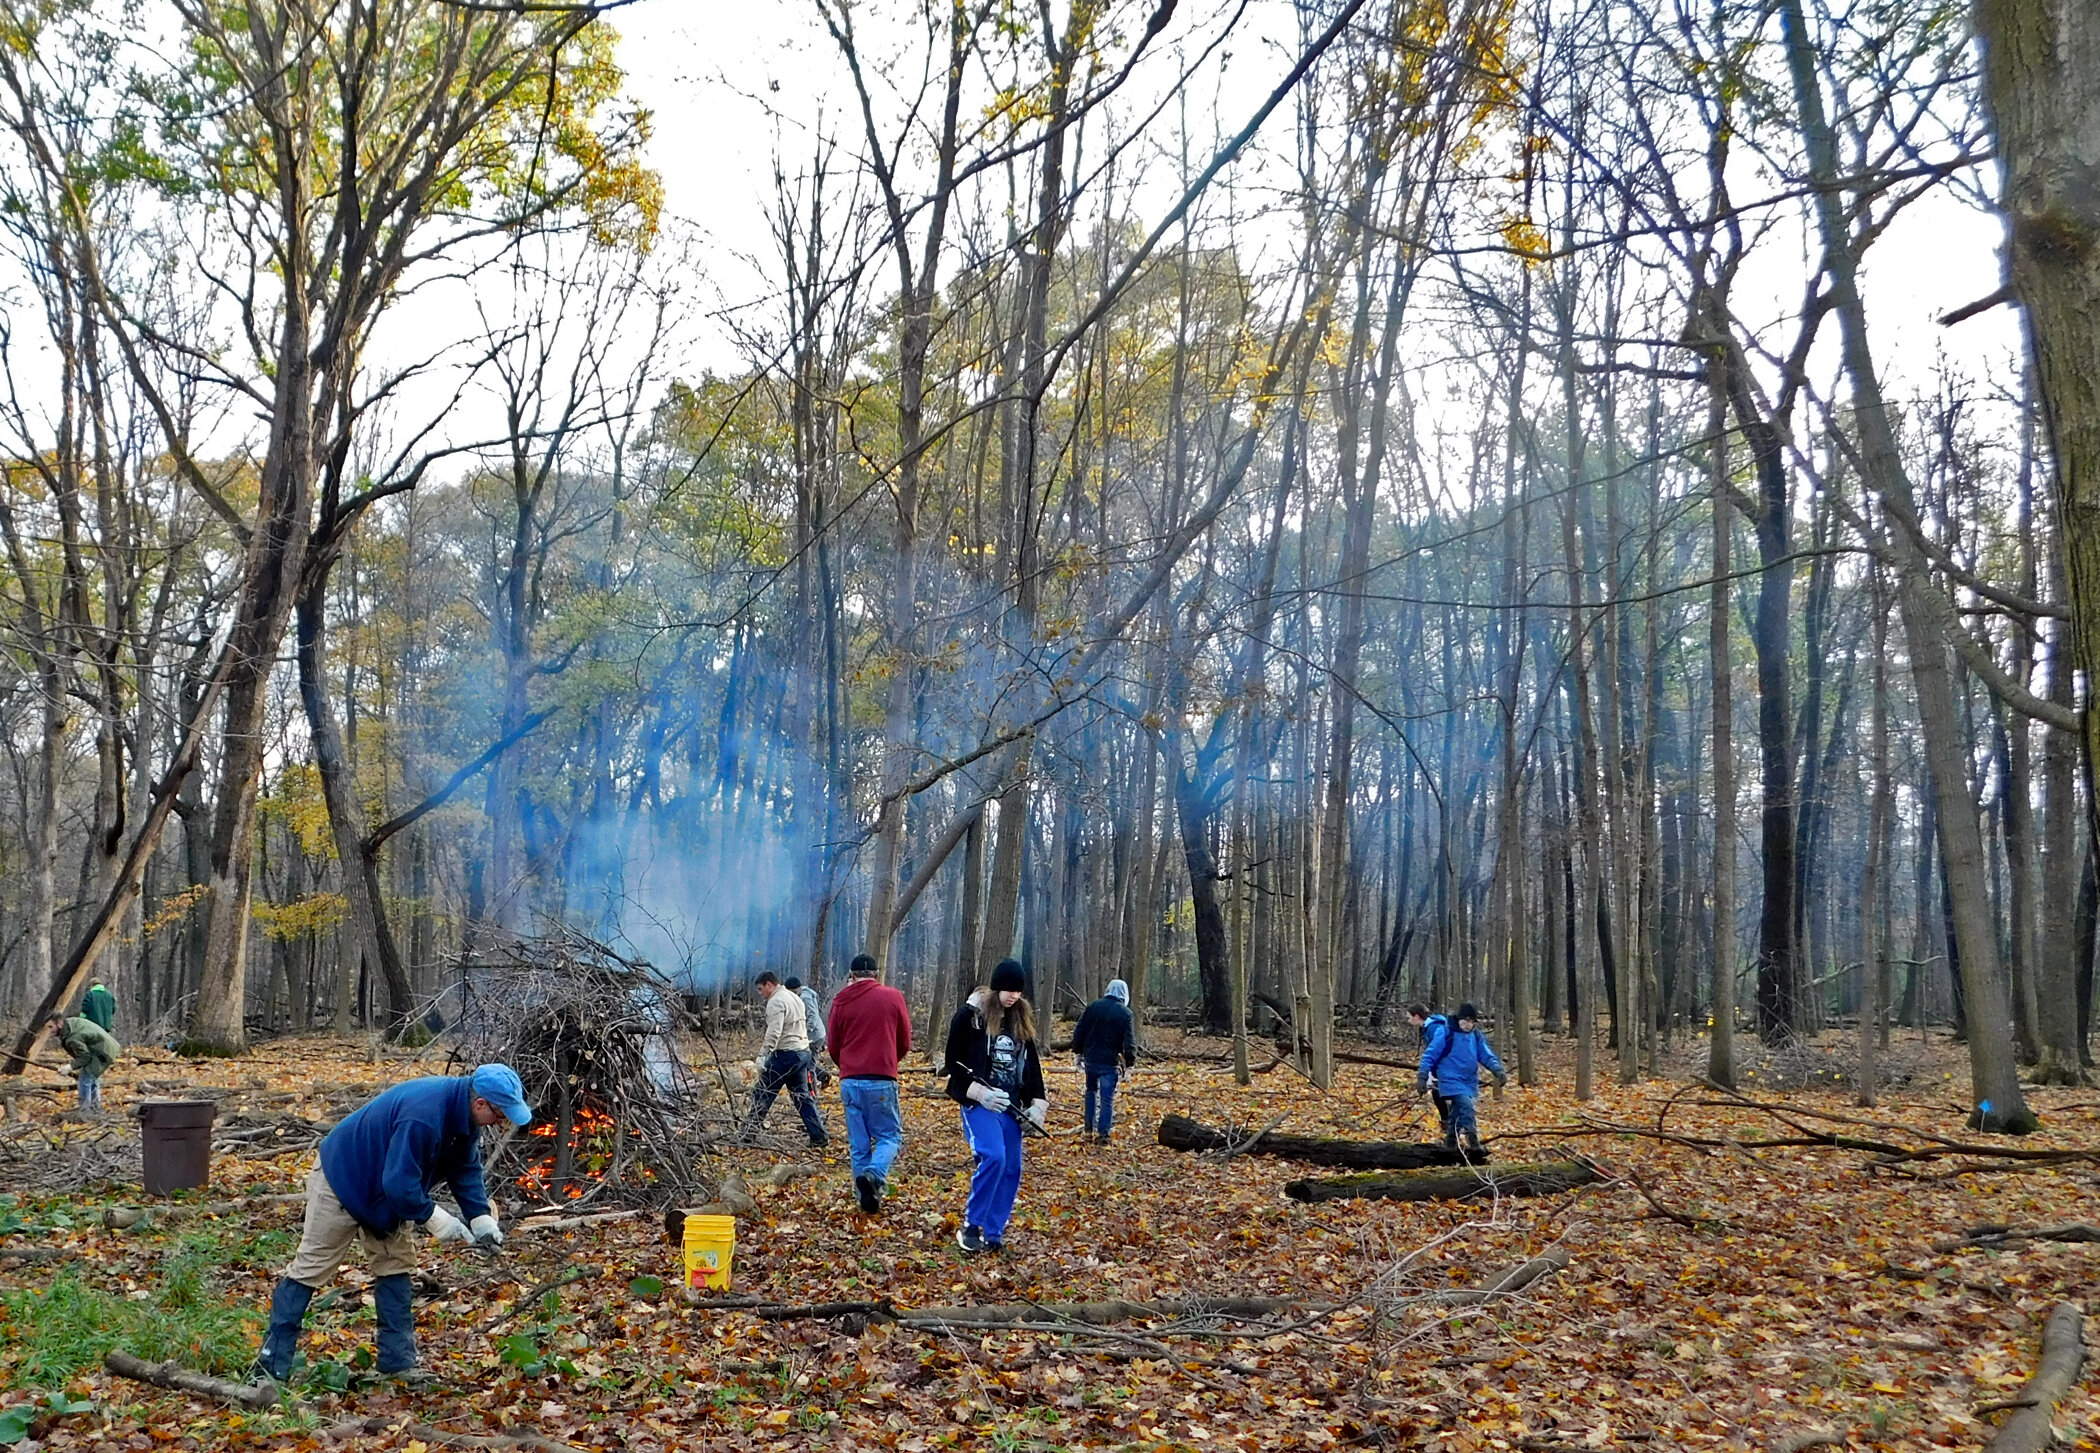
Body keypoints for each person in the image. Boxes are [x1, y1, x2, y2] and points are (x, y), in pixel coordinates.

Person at [252, 1065, 532, 1386]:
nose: (501, 1122)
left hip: (390, 1192)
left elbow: (465, 1169)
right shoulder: (425, 1114)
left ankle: (397, 1364)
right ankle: (270, 1368)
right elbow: (400, 1185)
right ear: (480, 1103)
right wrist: (438, 1220)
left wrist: (480, 1219)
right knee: (311, 1267)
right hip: (344, 1181)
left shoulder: (465, 1118)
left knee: (396, 1267)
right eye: (500, 1115)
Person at [943, 958, 1047, 1254]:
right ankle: (972, 1226)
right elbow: (954, 1064)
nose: (1013, 995)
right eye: (1008, 989)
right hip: (980, 1103)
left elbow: (1032, 1069)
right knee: (994, 1157)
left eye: (1018, 991)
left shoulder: (1020, 1021)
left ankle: (994, 1231)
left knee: (1012, 1168)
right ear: (996, 987)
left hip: (1011, 1106)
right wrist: (978, 1093)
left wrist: (1037, 1105)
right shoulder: (971, 1018)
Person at [825, 952, 912, 1213]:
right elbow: (905, 1039)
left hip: (850, 1080)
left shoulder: (840, 1001)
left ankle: (864, 1198)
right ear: (876, 974)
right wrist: (888, 1061)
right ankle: (874, 1175)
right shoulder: (893, 997)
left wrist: (848, 1066)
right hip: (881, 1078)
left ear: (851, 976)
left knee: (859, 1143)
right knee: (889, 1136)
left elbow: (833, 1044)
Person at [739, 971, 828, 1147]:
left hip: (786, 1054)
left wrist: (763, 1055)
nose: (761, 993)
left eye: (760, 989)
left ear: (769, 984)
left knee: (763, 1092)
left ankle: (748, 1134)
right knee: (802, 1097)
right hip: (802, 1052)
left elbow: (774, 1032)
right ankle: (819, 1136)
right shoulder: (794, 997)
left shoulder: (776, 1001)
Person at [1415, 1002, 1507, 1155]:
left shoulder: (1476, 1036)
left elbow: (1485, 1055)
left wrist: (1497, 1070)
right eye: (1466, 1020)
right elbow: (1430, 1054)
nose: (1468, 1024)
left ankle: (1451, 1144)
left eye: (1472, 1021)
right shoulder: (1445, 1032)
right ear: (1459, 1019)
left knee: (1457, 1112)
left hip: (1469, 1080)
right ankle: (1473, 1141)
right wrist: (1422, 1076)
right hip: (1449, 1078)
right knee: (1467, 1107)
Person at [1070, 978, 1137, 1144]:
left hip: (1091, 1059)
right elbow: (1129, 1041)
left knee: (1090, 1091)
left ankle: (1088, 1130)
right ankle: (1103, 1135)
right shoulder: (1125, 1013)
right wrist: (1130, 1064)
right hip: (1109, 1062)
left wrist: (1078, 1052)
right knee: (1107, 1098)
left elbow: (1080, 1030)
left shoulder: (1093, 1007)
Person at [49, 1013, 119, 1112]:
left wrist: (69, 1067)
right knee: (92, 1076)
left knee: (85, 1078)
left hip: (103, 1050)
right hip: (106, 1047)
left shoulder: (73, 1037)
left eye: (51, 1026)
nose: (50, 1030)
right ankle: (95, 1107)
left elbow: (85, 1056)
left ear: (59, 1023)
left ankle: (85, 1109)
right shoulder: (70, 1023)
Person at [1405, 1003, 1453, 1144]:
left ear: (1417, 1016)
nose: (1408, 1021)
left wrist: (1425, 1074)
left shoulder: (1434, 1028)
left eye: (1409, 1018)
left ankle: (1452, 1126)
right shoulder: (1429, 1028)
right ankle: (1448, 1125)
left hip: (1448, 1066)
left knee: (1442, 1095)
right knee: (1437, 1093)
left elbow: (1433, 1052)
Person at [786, 976, 831, 1089]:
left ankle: (812, 1093)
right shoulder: (802, 996)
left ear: (793, 989)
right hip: (813, 1035)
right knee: (805, 1061)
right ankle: (822, 1075)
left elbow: (812, 1016)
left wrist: (804, 1031)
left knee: (807, 1066)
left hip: (813, 1036)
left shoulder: (805, 997)